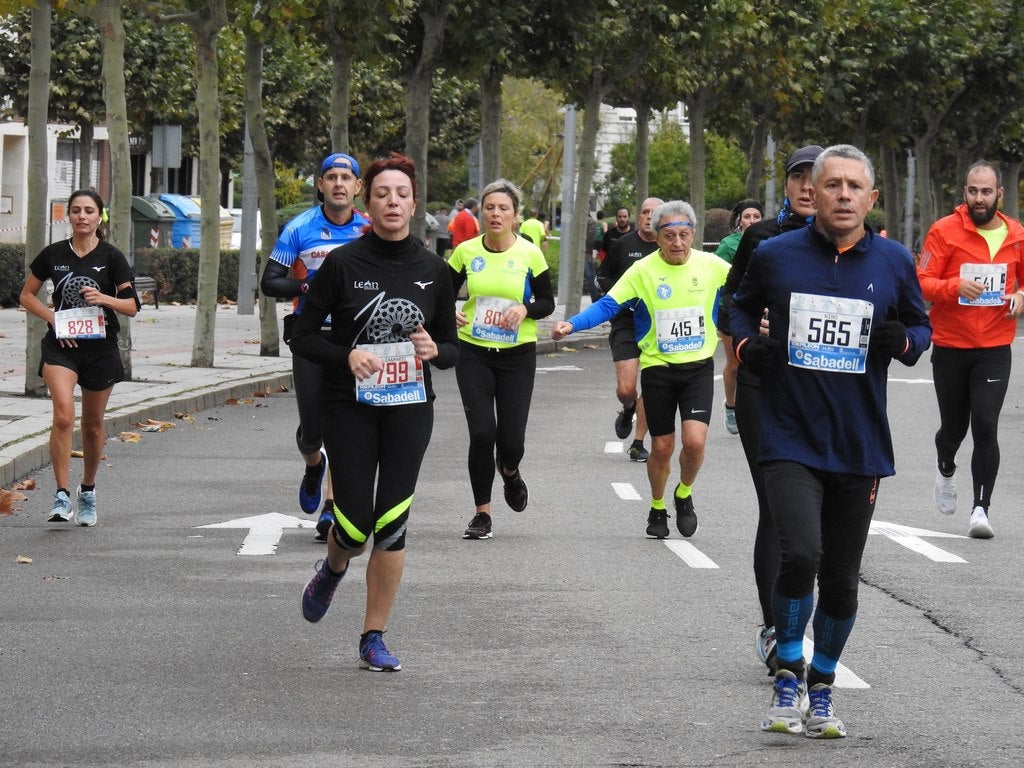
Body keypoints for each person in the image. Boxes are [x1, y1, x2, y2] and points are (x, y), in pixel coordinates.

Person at [730, 144, 931, 739]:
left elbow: (922, 328)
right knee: (802, 554)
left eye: (854, 187)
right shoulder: (775, 255)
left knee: (842, 578)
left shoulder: (893, 261)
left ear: (872, 198)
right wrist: (747, 349)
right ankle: (788, 669)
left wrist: (904, 340)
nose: (843, 196)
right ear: (811, 194)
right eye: (832, 185)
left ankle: (822, 685)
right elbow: (735, 309)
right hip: (789, 435)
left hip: (859, 442)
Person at [290, 152, 458, 672]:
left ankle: (373, 636)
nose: (392, 202)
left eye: (402, 194)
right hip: (351, 404)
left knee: (391, 523)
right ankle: (334, 566)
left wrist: (436, 352)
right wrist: (346, 355)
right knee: (355, 525)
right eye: (382, 193)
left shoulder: (435, 271)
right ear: (369, 201)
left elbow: (453, 348)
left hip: (410, 406)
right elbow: (299, 334)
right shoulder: (343, 264)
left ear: (413, 204)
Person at [553, 200, 730, 540]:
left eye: (684, 235)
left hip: (697, 369)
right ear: (657, 236)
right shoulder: (643, 270)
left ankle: (684, 493)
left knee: (694, 442)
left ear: (693, 235)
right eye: (669, 235)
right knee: (662, 447)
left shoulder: (712, 265)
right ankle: (658, 505)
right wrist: (572, 325)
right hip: (659, 370)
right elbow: (608, 305)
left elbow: (746, 288)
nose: (677, 243)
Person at [719, 146, 822, 676]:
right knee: (776, 508)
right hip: (765, 385)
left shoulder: (853, 242)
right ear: (785, 185)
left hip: (825, 393)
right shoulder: (762, 238)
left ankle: (797, 618)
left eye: (817, 178)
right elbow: (727, 306)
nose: (808, 187)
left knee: (816, 518)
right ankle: (775, 629)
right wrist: (748, 337)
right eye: (798, 178)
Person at [261, 152, 369, 541]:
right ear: (320, 185)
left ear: (358, 187)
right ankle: (312, 463)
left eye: (346, 177)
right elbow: (270, 281)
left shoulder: (370, 231)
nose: (339, 183)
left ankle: (331, 508)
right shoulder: (299, 228)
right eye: (331, 177)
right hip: (310, 338)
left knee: (344, 425)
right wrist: (306, 286)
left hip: (355, 342)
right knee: (312, 430)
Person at [19, 189, 140, 527]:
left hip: (100, 348)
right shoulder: (54, 254)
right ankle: (60, 495)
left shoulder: (112, 257)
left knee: (92, 425)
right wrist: (52, 317)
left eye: (89, 211)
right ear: (68, 216)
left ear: (99, 216)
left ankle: (87, 489)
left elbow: (132, 306)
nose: (82, 216)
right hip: (62, 346)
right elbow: (27, 295)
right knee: (62, 416)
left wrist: (104, 298)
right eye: (75, 211)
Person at [917, 160, 1024, 539]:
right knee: (954, 428)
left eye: (986, 191)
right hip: (951, 346)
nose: (979, 198)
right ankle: (946, 465)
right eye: (972, 191)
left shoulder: (1017, 235)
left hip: (994, 347)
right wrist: (953, 288)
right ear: (965, 193)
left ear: (1000, 194)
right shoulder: (944, 231)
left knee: (985, 424)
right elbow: (922, 281)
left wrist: (1019, 295)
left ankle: (981, 508)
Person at [448, 179, 555, 540]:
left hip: (517, 356)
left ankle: (509, 471)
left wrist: (525, 308)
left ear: (515, 216)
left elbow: (547, 302)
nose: (495, 214)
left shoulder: (529, 253)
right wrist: (448, 313)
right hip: (473, 351)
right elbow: (440, 295)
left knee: (511, 440)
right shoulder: (465, 252)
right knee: (481, 433)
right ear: (481, 212)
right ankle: (482, 514)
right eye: (489, 208)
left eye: (503, 209)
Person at [594, 197, 663, 463]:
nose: (648, 216)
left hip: (659, 326)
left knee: (652, 385)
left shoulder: (669, 245)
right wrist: (619, 294)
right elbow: (602, 276)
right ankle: (628, 407)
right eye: (644, 212)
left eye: (653, 212)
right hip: (625, 321)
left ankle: (638, 442)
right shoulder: (624, 245)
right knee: (626, 388)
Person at [716, 199, 764, 436]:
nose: (752, 220)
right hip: (732, 310)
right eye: (747, 216)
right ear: (739, 220)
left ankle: (758, 410)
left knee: (759, 361)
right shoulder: (728, 245)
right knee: (735, 363)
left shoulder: (770, 239)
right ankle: (731, 407)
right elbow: (717, 279)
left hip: (761, 309)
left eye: (756, 216)